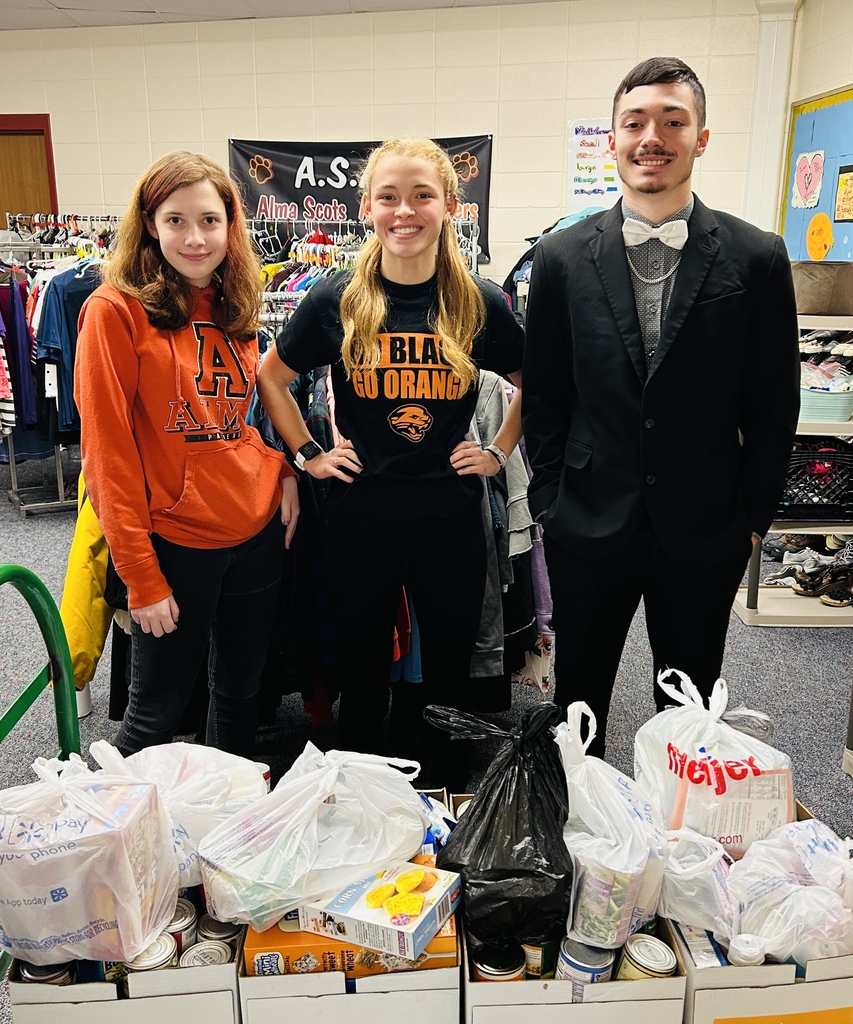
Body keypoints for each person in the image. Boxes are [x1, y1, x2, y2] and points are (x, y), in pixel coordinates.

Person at [522, 57, 800, 757]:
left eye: (673, 121)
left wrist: (753, 520)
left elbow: (773, 404)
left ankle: (677, 824)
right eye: (635, 122)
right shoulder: (559, 257)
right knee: (577, 706)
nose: (652, 137)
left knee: (688, 709)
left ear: (700, 138)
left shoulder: (757, 257)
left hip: (706, 523)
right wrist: (550, 500)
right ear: (613, 140)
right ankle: (578, 817)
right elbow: (545, 393)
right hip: (586, 517)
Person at [257, 137, 524, 788]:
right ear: (367, 208)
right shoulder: (337, 298)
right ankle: (362, 799)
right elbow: (271, 377)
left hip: (449, 519)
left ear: (450, 205)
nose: (404, 211)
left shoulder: (478, 301)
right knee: (362, 672)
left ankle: (445, 797)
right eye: (388, 197)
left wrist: (497, 450)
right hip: (361, 518)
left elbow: (536, 382)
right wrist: (309, 454)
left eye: (421, 196)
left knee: (449, 676)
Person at [75, 150, 299, 759]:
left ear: (231, 225)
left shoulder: (235, 306)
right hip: (176, 542)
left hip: (255, 533)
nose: (195, 238)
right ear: (150, 224)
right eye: (176, 220)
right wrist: (140, 576)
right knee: (155, 713)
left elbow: (231, 425)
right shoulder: (113, 311)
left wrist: (282, 469)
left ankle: (228, 812)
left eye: (209, 220)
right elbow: (107, 456)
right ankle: (118, 821)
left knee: (240, 699)